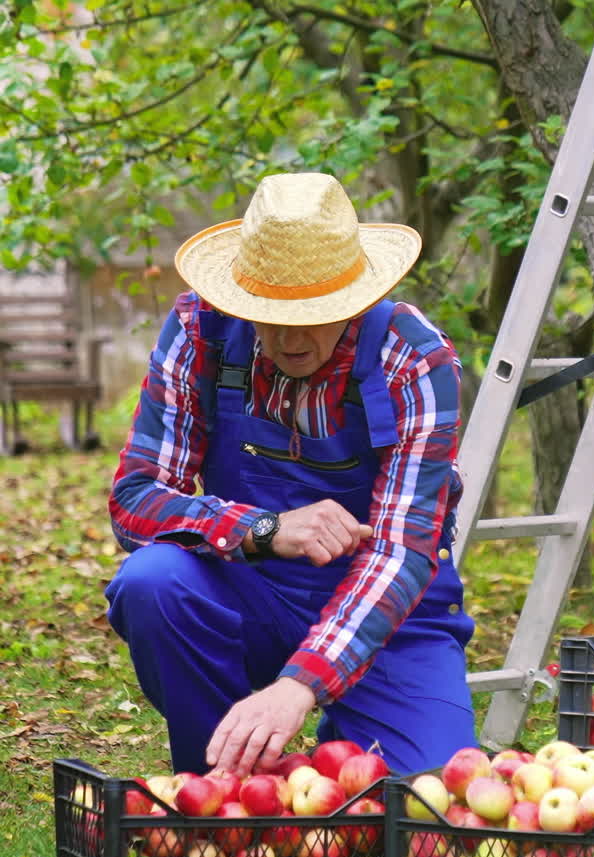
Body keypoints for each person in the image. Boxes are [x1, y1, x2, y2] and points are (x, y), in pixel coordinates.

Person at [105, 171, 477, 777]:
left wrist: (299, 686)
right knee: (153, 582)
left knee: (424, 802)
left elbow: (403, 552)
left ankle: (337, 728)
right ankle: (222, 783)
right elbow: (135, 499)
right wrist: (264, 528)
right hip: (254, 592)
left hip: (390, 617)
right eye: (267, 313)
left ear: (355, 297)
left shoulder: (414, 357)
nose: (289, 335)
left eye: (314, 312)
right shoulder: (202, 329)